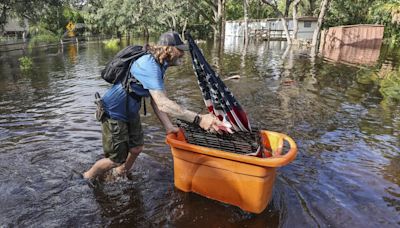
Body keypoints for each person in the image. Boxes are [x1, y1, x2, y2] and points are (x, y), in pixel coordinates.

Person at [83, 31, 231, 181]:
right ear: (169, 49)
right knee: (115, 159)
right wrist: (199, 119)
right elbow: (163, 103)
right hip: (113, 112)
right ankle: (87, 177)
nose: (182, 54)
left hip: (130, 110)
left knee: (136, 148)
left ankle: (119, 173)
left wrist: (168, 127)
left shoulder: (160, 64)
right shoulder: (149, 65)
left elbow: (156, 101)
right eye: (180, 50)